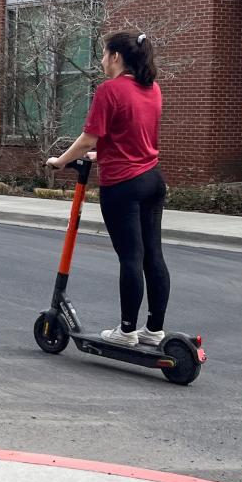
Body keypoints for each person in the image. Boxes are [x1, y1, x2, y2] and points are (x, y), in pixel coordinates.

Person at [46, 31, 169, 346]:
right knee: (152, 255)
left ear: (115, 57)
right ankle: (153, 331)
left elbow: (89, 138)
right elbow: (134, 137)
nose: (101, 60)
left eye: (103, 54)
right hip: (152, 179)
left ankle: (127, 332)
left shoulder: (110, 91)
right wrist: (102, 154)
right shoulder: (152, 89)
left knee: (130, 257)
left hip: (123, 186)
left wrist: (60, 161)